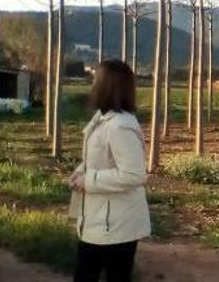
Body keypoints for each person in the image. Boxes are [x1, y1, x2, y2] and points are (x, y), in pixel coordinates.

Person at [69, 59, 150, 282]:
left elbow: (134, 174)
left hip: (116, 226)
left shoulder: (120, 126)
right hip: (100, 221)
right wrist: (80, 172)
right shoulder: (102, 118)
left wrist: (90, 180)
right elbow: (99, 158)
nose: (92, 84)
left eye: (96, 79)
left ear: (107, 85)